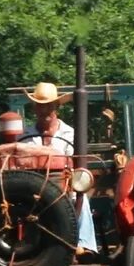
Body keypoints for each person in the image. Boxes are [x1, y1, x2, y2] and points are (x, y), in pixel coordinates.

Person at [23, 81, 98, 252]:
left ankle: (84, 245)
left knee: (80, 198)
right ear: (34, 108)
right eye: (40, 106)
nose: (44, 111)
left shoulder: (70, 134)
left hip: (63, 188)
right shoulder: (25, 136)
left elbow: (73, 162)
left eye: (48, 106)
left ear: (56, 106)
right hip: (30, 190)